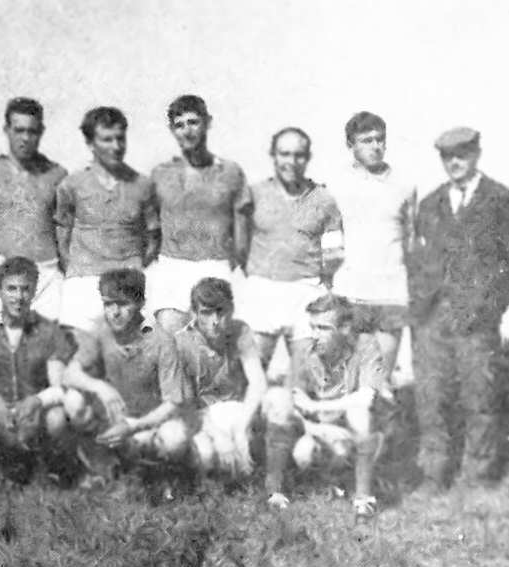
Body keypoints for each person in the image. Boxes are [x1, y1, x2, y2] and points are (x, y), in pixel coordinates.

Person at [409, 127, 509, 488]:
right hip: (433, 317)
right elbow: (417, 259)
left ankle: (476, 475)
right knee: (431, 397)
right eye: (447, 156)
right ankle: (434, 473)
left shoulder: (502, 200)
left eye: (462, 154)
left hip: (476, 318)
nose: (455, 162)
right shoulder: (430, 204)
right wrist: (420, 307)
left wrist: (487, 309)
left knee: (479, 395)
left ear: (476, 153)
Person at [262, 294, 389, 518]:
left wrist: (314, 406)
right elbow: (292, 400)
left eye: (323, 328)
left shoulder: (365, 345)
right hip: (317, 431)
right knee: (278, 401)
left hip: (351, 432)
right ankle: (276, 492)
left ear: (345, 328)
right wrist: (317, 428)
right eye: (312, 327)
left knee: (359, 413)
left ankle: (364, 498)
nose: (315, 334)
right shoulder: (305, 349)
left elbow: (366, 397)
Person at [62, 269, 188, 486]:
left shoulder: (161, 341)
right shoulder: (100, 330)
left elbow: (173, 402)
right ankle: (101, 463)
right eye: (108, 304)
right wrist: (100, 387)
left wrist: (135, 426)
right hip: (113, 417)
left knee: (175, 438)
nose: (114, 312)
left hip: (147, 422)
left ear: (140, 304)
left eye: (122, 304)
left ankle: (161, 476)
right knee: (73, 400)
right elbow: (70, 373)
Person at [240, 127, 343, 374]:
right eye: (284, 154)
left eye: (299, 155)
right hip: (262, 291)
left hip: (306, 293)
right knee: (251, 376)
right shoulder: (254, 195)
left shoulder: (324, 199)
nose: (291, 162)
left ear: (308, 158)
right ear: (273, 156)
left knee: (309, 376)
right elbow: (239, 246)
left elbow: (334, 253)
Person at [146, 95, 253, 333]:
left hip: (215, 266)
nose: (187, 131)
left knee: (213, 345)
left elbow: (243, 232)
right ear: (172, 130)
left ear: (208, 122)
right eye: (179, 125)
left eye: (193, 122)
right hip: (172, 267)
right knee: (170, 342)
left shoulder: (231, 172)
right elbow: (150, 229)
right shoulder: (160, 174)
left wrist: (234, 268)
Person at [0, 256, 75, 473]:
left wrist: (36, 400)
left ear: (34, 290)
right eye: (11, 289)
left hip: (33, 411)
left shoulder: (49, 332)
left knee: (57, 416)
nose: (18, 297)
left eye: (25, 289)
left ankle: (49, 470)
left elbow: (59, 386)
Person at [55, 107, 160, 333]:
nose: (116, 146)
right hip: (83, 281)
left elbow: (153, 237)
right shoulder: (72, 184)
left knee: (135, 348)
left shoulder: (143, 185)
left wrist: (133, 270)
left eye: (120, 138)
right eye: (107, 139)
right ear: (90, 143)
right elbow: (62, 235)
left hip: (129, 283)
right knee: (76, 350)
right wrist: (77, 269)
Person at [328, 112, 416, 378]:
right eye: (367, 140)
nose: (376, 146)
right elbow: (328, 240)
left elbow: (412, 238)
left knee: (380, 379)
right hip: (351, 291)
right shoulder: (336, 184)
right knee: (348, 377)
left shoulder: (405, 184)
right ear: (350, 144)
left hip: (391, 292)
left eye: (380, 139)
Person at [0, 97, 68, 321]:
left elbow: (65, 232)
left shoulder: (57, 175)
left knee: (47, 339)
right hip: (0, 271)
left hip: (46, 276)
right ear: (6, 130)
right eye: (19, 130)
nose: (25, 138)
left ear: (41, 132)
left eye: (32, 131)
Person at [174, 278, 267, 478]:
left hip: (235, 410)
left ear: (231, 309)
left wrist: (241, 427)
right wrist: (218, 435)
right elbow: (185, 406)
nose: (215, 320)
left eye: (221, 311)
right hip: (200, 418)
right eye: (206, 313)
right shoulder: (181, 343)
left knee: (251, 434)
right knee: (206, 455)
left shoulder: (240, 331)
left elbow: (258, 383)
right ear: (194, 313)